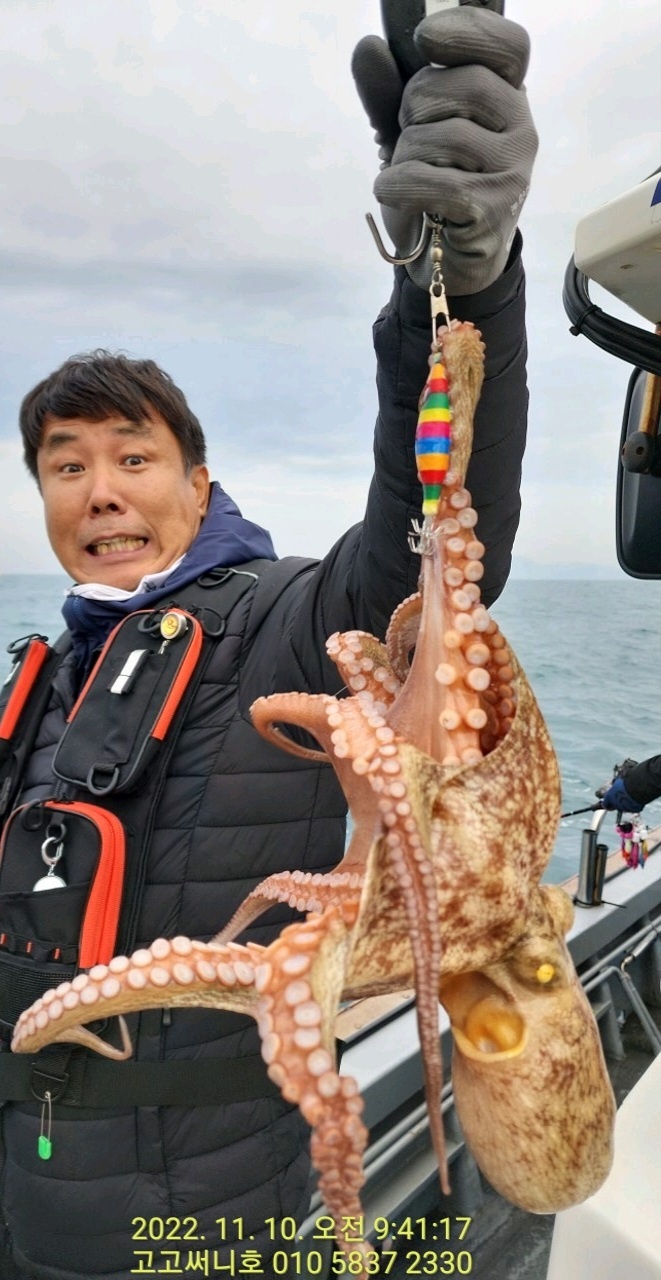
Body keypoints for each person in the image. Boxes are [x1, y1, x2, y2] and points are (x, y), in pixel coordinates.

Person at [0, 9, 538, 1279]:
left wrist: (456, 285)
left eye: (133, 457)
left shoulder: (285, 618)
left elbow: (429, 535)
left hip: (199, 1215)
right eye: (66, 466)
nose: (101, 492)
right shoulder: (41, 676)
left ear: (199, 484)